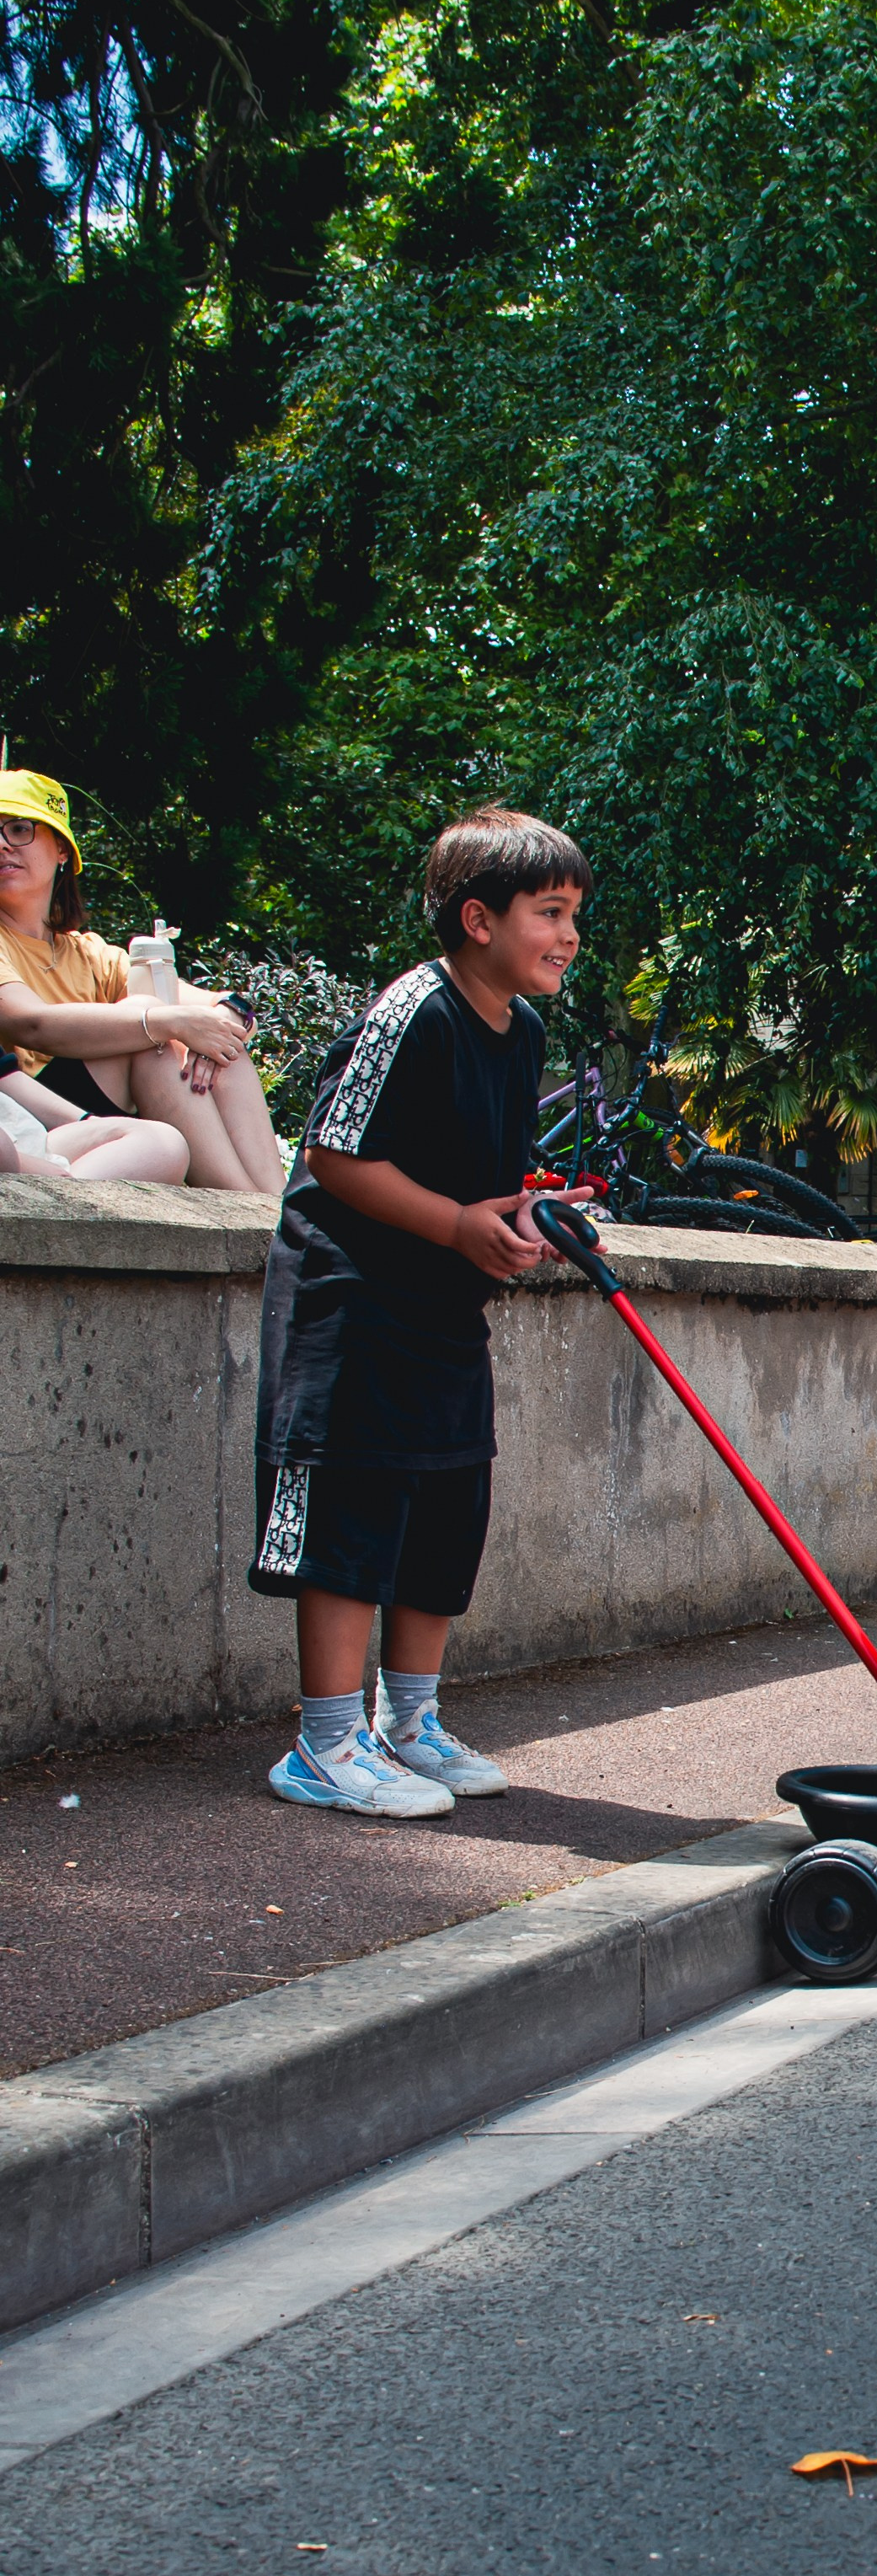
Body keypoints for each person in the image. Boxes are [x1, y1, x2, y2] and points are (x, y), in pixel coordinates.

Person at [253, 806, 589, 1816]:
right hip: (351, 1298)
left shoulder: (521, 1029)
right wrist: (453, 1225)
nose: (571, 935)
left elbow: (477, 1178)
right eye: (553, 911)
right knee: (357, 1505)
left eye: (576, 912)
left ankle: (412, 1720)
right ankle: (323, 1740)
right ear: (479, 919)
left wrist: (526, 1218)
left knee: (446, 1501)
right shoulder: (413, 1011)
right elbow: (332, 1153)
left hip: (442, 1306)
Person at [0, 768, 285, 1192]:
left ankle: (278, 1200)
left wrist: (230, 1011)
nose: (2, 845)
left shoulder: (88, 951)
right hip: (35, 1118)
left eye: (19, 829)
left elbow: (202, 1006)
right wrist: (167, 1023)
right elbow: (30, 1023)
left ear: (62, 849)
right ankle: (250, 1207)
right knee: (147, 1022)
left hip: (97, 1113)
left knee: (218, 1041)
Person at [0, 1062, 189, 1183]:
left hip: (22, 1134)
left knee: (165, 1143)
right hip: (12, 1156)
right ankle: (66, 1201)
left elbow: (5, 1073)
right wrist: (23, 1165)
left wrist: (89, 1122)